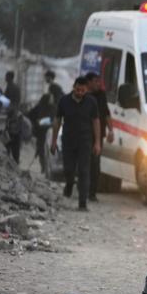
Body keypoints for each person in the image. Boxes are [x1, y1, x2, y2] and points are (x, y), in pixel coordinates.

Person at [50, 77, 101, 211]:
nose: (80, 93)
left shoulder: (91, 102)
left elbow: (96, 121)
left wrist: (97, 142)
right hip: (68, 141)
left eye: (82, 90)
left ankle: (82, 203)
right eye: (77, 90)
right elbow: (57, 120)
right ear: (74, 87)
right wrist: (54, 141)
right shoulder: (64, 101)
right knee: (69, 169)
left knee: (84, 171)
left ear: (86, 90)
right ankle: (69, 184)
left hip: (85, 141)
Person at [85, 72, 115, 202]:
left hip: (98, 136)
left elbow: (106, 113)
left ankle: (92, 193)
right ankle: (83, 190)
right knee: (84, 164)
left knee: (95, 165)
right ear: (89, 82)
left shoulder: (101, 95)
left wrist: (111, 130)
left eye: (99, 81)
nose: (98, 84)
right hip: (84, 136)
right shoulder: (83, 95)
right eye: (95, 81)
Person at [4, 71, 23, 164]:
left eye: (6, 76)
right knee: (12, 140)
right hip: (13, 116)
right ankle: (14, 160)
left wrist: (9, 113)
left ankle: (13, 160)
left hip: (13, 117)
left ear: (9, 77)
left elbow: (11, 102)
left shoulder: (12, 87)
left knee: (11, 139)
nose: (5, 78)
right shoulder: (13, 87)